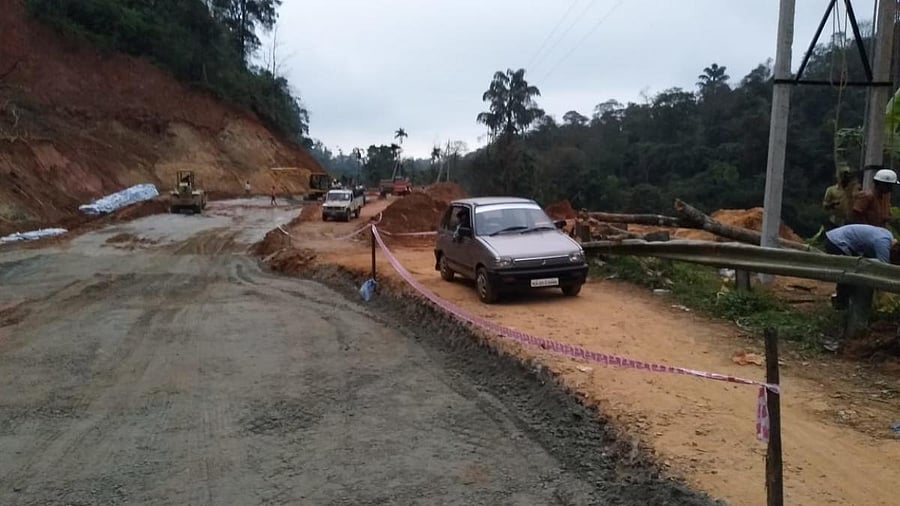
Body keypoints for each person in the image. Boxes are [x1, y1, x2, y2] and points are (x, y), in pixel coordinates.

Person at [823, 223, 900, 309]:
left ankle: (843, 301)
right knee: (849, 275)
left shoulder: (888, 235)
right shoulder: (883, 243)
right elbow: (883, 270)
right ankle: (842, 303)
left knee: (853, 273)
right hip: (838, 242)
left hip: (836, 237)